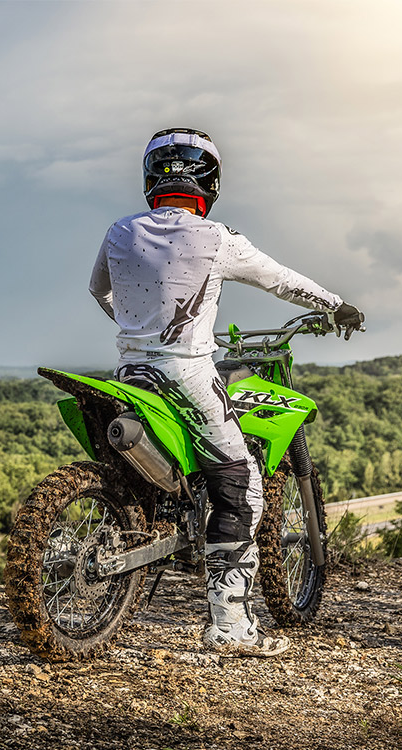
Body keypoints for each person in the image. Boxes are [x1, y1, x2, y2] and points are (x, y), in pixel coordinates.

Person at [88, 127, 363, 657]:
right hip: (187, 373)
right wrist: (335, 304)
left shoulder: (119, 231)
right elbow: (280, 280)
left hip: (128, 371)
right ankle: (231, 625)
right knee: (243, 483)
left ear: (151, 178)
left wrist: (139, 329)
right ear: (209, 182)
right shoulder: (216, 238)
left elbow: (99, 291)